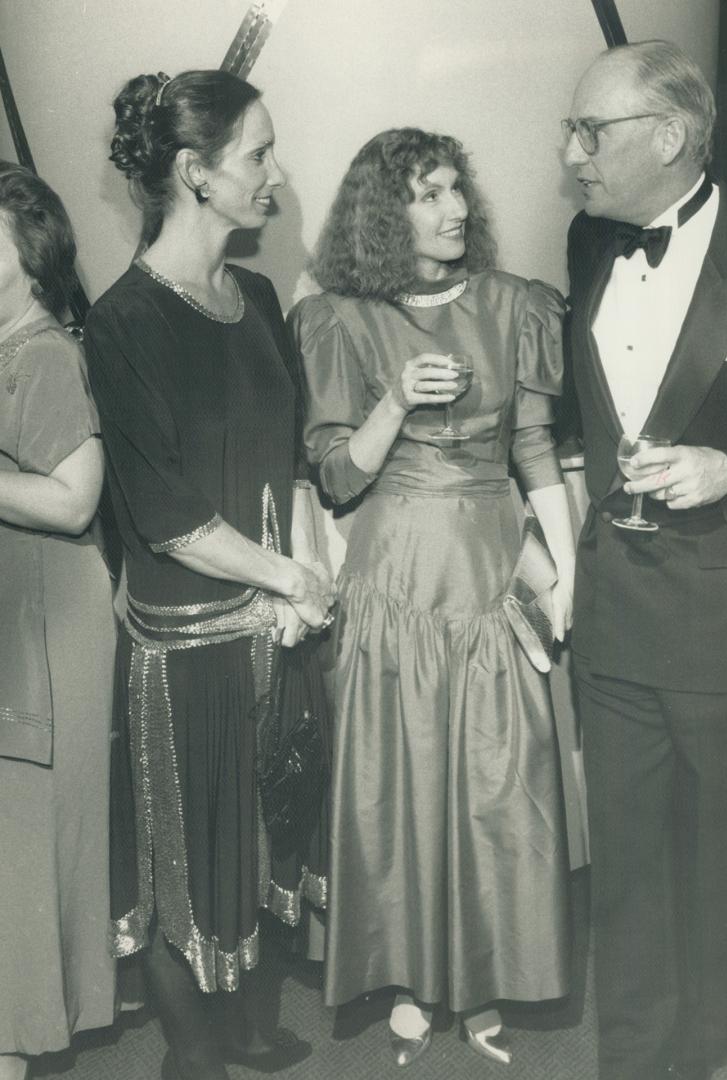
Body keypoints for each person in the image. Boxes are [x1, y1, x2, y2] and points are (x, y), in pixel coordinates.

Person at [289, 127, 576, 1067]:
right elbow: (335, 476)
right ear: (383, 212)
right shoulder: (336, 318)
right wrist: (396, 400)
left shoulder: (516, 304)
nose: (454, 208)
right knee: (402, 779)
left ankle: (489, 969)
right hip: (396, 572)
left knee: (502, 778)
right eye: (427, 193)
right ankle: (412, 978)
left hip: (492, 564)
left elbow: (532, 449)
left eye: (457, 188)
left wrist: (564, 568)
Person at [83, 70, 335, 1080]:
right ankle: (192, 1056)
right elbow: (172, 518)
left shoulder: (260, 295)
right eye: (259, 154)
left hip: (277, 625)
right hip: (189, 646)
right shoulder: (123, 323)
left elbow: (295, 458)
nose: (275, 174)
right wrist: (289, 578)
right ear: (196, 173)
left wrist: (305, 579)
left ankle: (241, 1028)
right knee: (186, 854)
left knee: (269, 824)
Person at [562, 39, 727, 1080]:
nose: (569, 154)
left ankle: (702, 1058)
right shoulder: (586, 244)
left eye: (587, 132)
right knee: (628, 879)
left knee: (722, 871)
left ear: (669, 135)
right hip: (611, 623)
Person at [0, 162, 115, 1080]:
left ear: (27, 250)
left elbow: (76, 500)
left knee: (25, 852)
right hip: (20, 612)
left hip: (45, 623)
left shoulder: (39, 351)